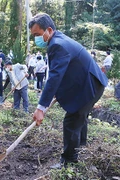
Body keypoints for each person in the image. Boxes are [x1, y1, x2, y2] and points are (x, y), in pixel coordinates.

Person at [29, 13, 108, 168]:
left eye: (37, 34)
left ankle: (69, 161)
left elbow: (55, 76)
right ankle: (81, 147)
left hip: (89, 86)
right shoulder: (59, 39)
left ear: (49, 30)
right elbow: (66, 71)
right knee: (79, 116)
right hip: (91, 84)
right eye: (34, 36)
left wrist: (40, 107)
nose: (36, 39)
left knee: (72, 120)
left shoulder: (57, 45)